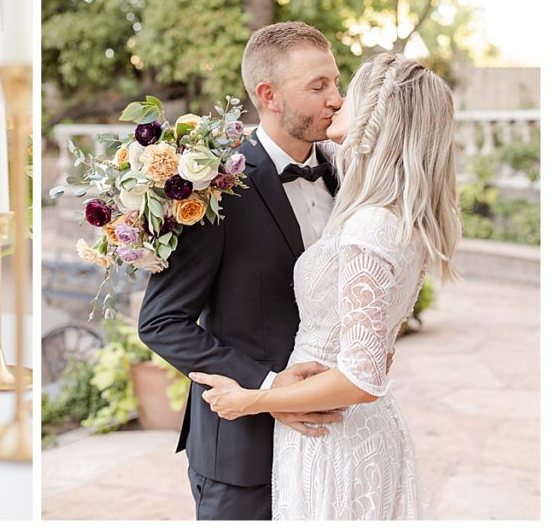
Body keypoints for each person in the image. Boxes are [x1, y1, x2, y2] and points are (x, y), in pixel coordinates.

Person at [191, 53, 461, 520]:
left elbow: (360, 378)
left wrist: (254, 400)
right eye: (324, 87)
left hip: (334, 432)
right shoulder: (388, 209)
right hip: (339, 429)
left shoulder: (371, 223)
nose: (336, 102)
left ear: (380, 116)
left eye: (346, 91)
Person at [138, 21, 345, 520]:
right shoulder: (215, 188)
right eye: (318, 87)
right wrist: (270, 388)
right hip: (243, 455)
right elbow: (161, 323)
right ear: (269, 95)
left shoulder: (345, 173)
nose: (336, 99)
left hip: (335, 443)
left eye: (336, 82)